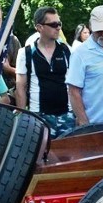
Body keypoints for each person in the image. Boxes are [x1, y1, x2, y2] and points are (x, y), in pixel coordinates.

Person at [15, 7, 75, 138]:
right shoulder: (25, 53)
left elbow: (74, 85)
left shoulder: (66, 51)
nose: (58, 27)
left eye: (59, 23)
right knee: (42, 157)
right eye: (53, 24)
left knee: (68, 156)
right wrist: (22, 118)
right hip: (39, 116)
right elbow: (20, 87)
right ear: (39, 27)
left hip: (67, 115)